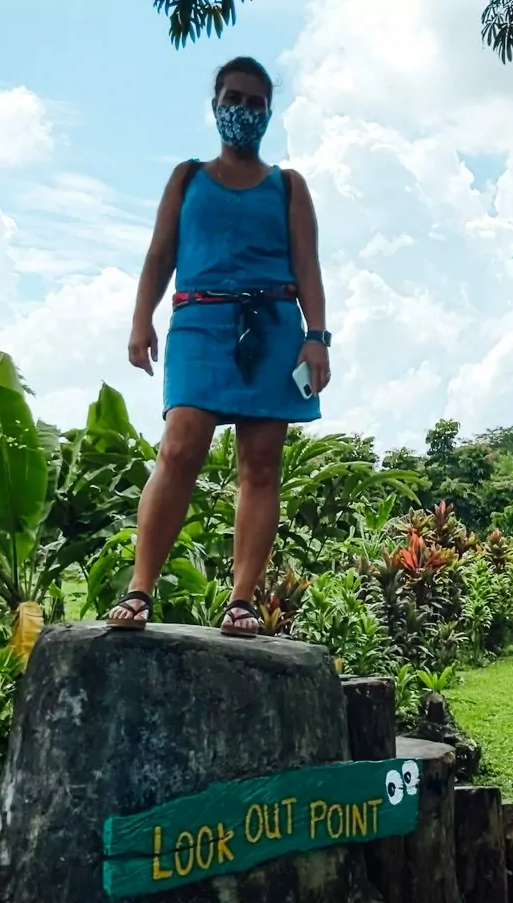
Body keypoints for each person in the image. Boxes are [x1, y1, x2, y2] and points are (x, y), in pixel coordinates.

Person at [106, 56, 331, 636]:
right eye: (233, 99)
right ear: (215, 106)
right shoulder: (187, 177)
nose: (243, 111)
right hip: (199, 324)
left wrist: (316, 338)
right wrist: (140, 319)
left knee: (260, 464)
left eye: (255, 103)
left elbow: (307, 265)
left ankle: (241, 601)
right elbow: (160, 255)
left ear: (269, 111)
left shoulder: (288, 186)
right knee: (179, 450)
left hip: (275, 327)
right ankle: (140, 587)